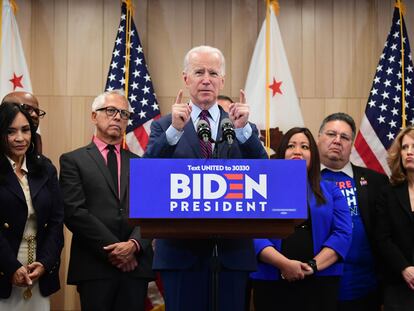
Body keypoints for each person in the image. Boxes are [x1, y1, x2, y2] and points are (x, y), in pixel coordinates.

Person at [144, 45, 268, 311]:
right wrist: (174, 133)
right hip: (179, 252)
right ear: (185, 78)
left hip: (232, 253)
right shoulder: (164, 125)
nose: (206, 79)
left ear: (222, 81)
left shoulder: (241, 124)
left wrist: (244, 131)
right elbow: (147, 174)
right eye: (198, 72)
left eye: (213, 73)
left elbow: (263, 172)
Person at [59, 90, 154, 311]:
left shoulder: (140, 163)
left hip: (135, 266)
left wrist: (134, 245)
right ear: (94, 116)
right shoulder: (74, 160)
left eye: (123, 113)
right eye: (111, 110)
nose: (118, 117)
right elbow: (74, 213)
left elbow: (150, 211)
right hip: (95, 266)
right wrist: (116, 252)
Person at [251, 127, 352, 311]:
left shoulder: (332, 190)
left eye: (305, 146)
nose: (297, 151)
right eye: (291, 146)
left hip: (320, 280)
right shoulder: (261, 188)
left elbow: (343, 234)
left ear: (312, 155)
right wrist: (285, 265)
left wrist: (311, 267)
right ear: (282, 153)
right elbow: (254, 234)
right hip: (271, 279)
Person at [317, 112, 389, 310]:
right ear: (319, 137)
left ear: (352, 144)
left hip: (364, 289)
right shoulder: (301, 179)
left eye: (345, 137)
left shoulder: (377, 182)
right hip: (314, 288)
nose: (337, 141)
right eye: (331, 134)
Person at [0, 102, 64, 310]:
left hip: (38, 268)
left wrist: (45, 263)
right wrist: (11, 267)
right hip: (5, 266)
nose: (20, 138)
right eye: (11, 131)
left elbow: (56, 222)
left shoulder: (45, 167)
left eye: (25, 130)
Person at [375, 126, 414, 310]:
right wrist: (404, 268)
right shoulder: (387, 193)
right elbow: (382, 238)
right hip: (398, 282)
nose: (409, 152)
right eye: (405, 147)